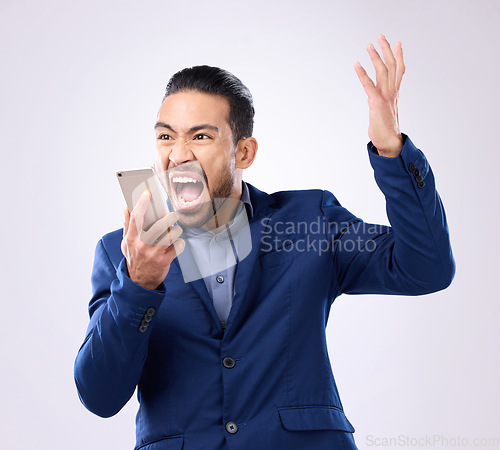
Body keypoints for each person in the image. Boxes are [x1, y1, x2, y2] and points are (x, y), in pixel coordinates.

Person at [74, 34, 455, 450]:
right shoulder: (120, 253)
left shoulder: (311, 221)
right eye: (166, 137)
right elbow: (100, 397)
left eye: (200, 137)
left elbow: (426, 267)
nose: (178, 154)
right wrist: (138, 285)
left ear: (244, 152)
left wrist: (391, 150)